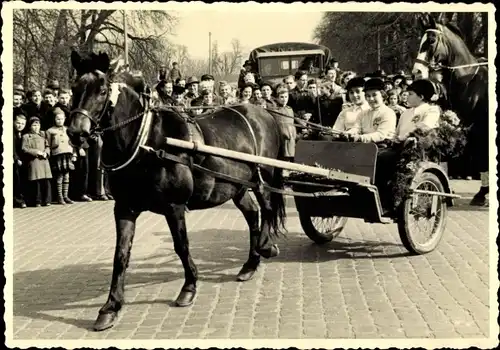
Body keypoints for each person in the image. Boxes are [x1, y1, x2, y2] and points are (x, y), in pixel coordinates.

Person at [347, 78, 397, 143]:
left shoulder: (388, 113)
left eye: (374, 95)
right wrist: (347, 134)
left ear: (383, 95)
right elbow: (356, 128)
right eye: (368, 96)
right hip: (366, 146)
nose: (371, 99)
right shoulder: (363, 113)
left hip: (383, 147)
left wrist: (360, 138)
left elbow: (381, 135)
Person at [46, 108, 77, 205]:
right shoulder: (50, 131)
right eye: (57, 119)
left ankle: (66, 195)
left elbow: (73, 143)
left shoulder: (68, 129)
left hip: (68, 154)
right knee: (59, 176)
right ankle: (59, 196)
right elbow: (48, 144)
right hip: (57, 154)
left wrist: (74, 154)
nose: (60, 121)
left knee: (66, 176)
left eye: (61, 119)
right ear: (54, 119)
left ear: (65, 119)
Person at [22, 117, 52, 207]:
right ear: (30, 126)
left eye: (38, 125)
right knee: (36, 182)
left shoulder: (43, 135)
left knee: (46, 181)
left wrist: (46, 153)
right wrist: (36, 152)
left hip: (44, 161)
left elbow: (47, 145)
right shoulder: (26, 136)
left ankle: (47, 200)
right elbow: (24, 148)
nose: (36, 127)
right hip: (34, 161)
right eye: (34, 125)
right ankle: (37, 201)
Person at [274, 84, 296, 162]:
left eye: (286, 97)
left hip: (290, 138)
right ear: (277, 98)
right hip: (280, 138)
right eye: (282, 97)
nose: (284, 99)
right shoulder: (275, 110)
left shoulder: (290, 109)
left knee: (290, 157)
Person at [14, 114, 27, 208]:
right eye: (18, 123)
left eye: (22, 124)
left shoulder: (24, 133)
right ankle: (18, 200)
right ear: (14, 122)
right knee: (16, 179)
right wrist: (16, 158)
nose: (20, 125)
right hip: (15, 159)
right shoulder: (11, 133)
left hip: (23, 159)